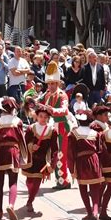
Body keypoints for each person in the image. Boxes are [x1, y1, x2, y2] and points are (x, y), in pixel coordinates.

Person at [38, 61, 75, 190]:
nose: (51, 86)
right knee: (54, 153)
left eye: (53, 84)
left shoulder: (62, 95)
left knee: (61, 155)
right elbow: (39, 103)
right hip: (52, 128)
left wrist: (52, 110)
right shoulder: (47, 94)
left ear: (58, 83)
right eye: (49, 83)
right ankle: (60, 180)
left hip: (62, 127)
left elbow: (65, 110)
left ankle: (64, 181)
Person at [0, 97, 28, 220]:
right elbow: (22, 139)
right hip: (13, 152)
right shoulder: (18, 121)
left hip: (1, 152)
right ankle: (11, 205)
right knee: (13, 182)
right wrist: (24, 156)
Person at [68, 111, 106, 220]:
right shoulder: (96, 134)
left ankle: (89, 213)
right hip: (94, 160)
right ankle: (95, 212)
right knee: (95, 188)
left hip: (81, 162)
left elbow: (70, 153)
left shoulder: (73, 134)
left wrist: (72, 168)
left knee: (83, 188)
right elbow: (101, 150)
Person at [22, 105, 58, 213]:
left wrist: (52, 164)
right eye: (41, 116)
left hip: (43, 161)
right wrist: (31, 146)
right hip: (30, 160)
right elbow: (24, 143)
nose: (43, 119)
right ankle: (30, 195)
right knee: (29, 181)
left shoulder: (52, 131)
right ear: (36, 116)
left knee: (37, 183)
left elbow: (55, 149)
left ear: (48, 118)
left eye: (45, 117)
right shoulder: (30, 128)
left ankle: (30, 201)